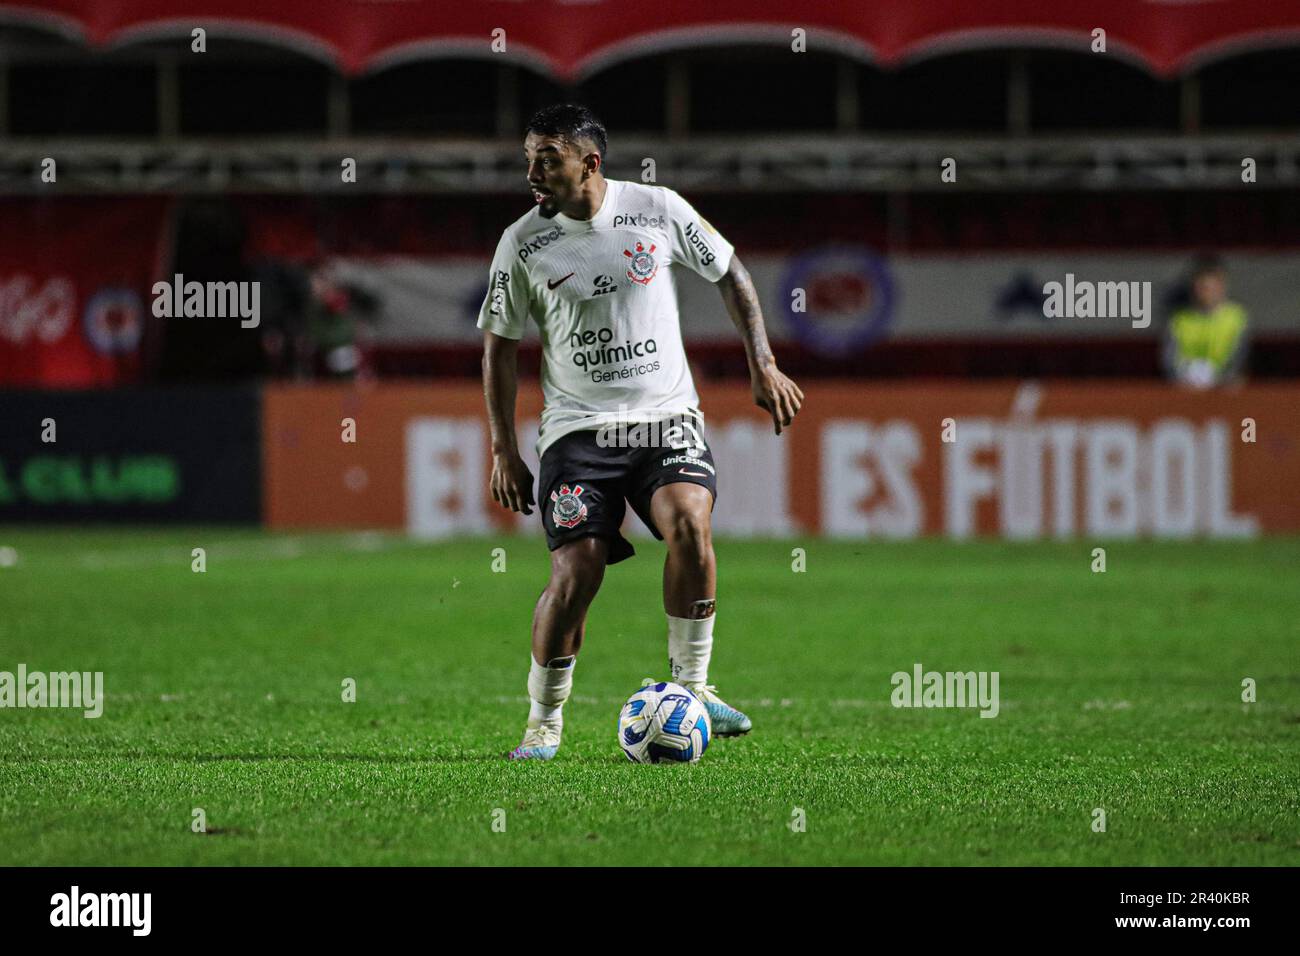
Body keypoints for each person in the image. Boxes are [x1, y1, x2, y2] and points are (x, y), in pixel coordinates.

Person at [478, 103, 804, 760]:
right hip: (577, 432)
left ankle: (693, 688)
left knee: (690, 521)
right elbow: (498, 348)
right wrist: (503, 449)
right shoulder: (521, 243)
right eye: (529, 158)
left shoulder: (658, 208)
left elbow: (731, 273)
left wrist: (763, 362)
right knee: (577, 573)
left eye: (548, 158)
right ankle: (544, 722)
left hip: (665, 418)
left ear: (589, 163)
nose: (533, 172)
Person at [1163, 255, 1249, 389]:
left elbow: (1239, 360)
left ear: (1221, 285)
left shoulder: (1237, 317)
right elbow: (1169, 360)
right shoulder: (1179, 320)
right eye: (1201, 285)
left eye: (1211, 285)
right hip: (1186, 389)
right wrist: (1186, 376)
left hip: (1224, 389)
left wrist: (1218, 378)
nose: (1206, 291)